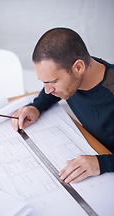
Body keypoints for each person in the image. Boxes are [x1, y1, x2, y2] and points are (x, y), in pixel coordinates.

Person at [11, 27, 114, 184]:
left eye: (52, 82)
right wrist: (36, 107)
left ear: (78, 67)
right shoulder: (77, 72)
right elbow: (48, 92)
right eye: (44, 82)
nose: (47, 89)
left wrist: (101, 164)